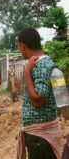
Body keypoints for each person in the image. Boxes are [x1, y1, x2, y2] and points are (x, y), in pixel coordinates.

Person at [16, 27, 61, 159]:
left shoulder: (39, 65)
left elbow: (38, 100)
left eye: (19, 47)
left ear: (22, 46)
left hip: (41, 138)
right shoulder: (42, 63)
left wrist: (27, 73)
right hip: (39, 137)